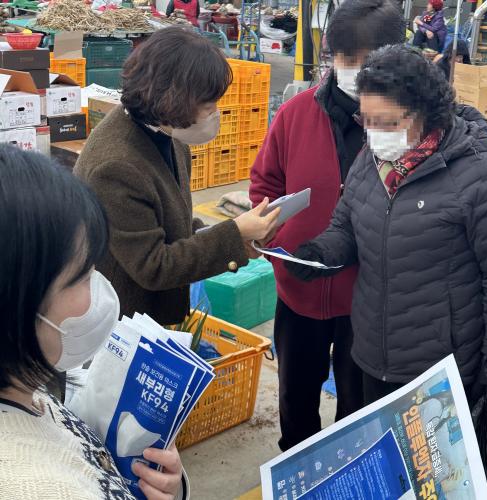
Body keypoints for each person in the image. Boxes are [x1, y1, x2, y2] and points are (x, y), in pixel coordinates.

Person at [286, 44, 487, 408]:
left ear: (425, 113)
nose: (374, 133)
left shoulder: (478, 175)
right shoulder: (370, 161)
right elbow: (346, 224)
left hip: (439, 368)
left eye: (388, 123)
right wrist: (319, 254)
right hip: (373, 353)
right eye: (367, 120)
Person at [249, 0, 405, 452]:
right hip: (298, 287)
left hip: (368, 297)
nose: (351, 69)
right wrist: (280, 242)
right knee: (296, 396)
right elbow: (265, 183)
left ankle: (348, 469)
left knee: (358, 405)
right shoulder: (296, 113)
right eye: (344, 57)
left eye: (364, 60)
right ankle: (297, 463)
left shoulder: (402, 125)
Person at [0, 145, 184, 499]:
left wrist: (159, 485)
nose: (100, 287)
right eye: (83, 275)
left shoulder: (26, 386)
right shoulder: (44, 489)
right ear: (17, 305)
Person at [75, 28, 279, 327]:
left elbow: (173, 222)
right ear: (175, 100)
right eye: (208, 106)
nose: (215, 114)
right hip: (122, 319)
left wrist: (236, 240)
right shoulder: (116, 166)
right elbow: (154, 266)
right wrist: (233, 235)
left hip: (149, 311)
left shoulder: (167, 132)